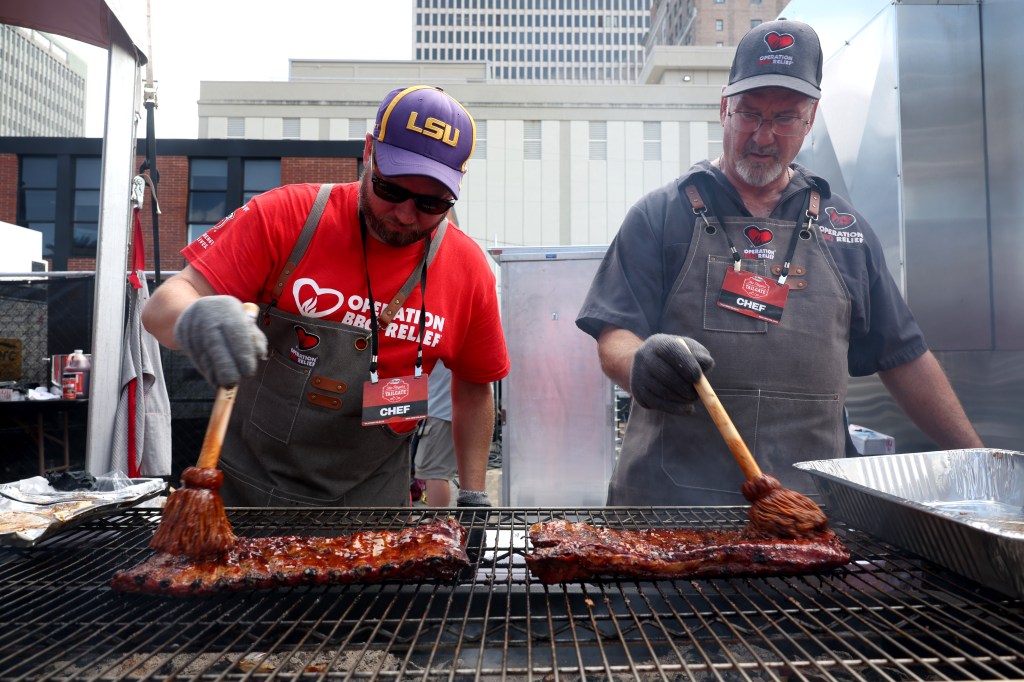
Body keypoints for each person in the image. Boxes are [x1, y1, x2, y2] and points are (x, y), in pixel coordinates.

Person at [576, 20, 983, 506]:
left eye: (785, 117)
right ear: (724, 109)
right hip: (671, 511)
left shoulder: (844, 229)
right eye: (749, 113)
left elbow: (904, 358)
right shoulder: (661, 216)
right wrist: (640, 362)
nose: (763, 135)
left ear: (810, 121)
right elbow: (614, 335)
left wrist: (976, 465)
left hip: (807, 514)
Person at [142, 85, 509, 508]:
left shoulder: (467, 268)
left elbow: (475, 386)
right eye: (390, 189)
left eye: (431, 202)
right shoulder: (286, 217)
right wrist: (196, 317)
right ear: (368, 150)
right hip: (249, 498)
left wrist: (476, 491)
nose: (407, 214)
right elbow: (164, 303)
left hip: (374, 510)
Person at [411, 359, 459, 506]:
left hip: (441, 411)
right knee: (438, 471)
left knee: (434, 472)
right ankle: (439, 525)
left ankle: (438, 526)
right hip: (456, 409)